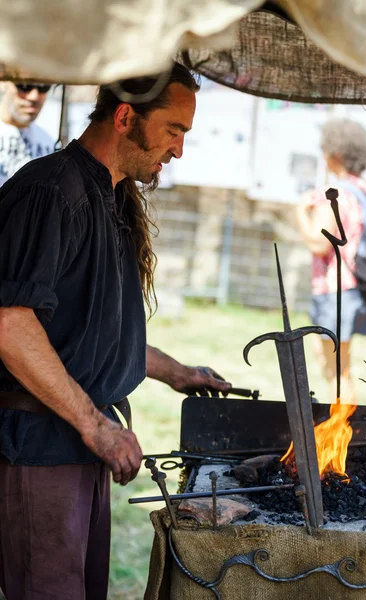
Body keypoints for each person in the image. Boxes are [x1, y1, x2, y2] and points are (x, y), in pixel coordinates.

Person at [0, 63, 231, 599]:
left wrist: (177, 372)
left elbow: (87, 329)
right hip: (39, 448)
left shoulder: (109, 195)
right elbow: (11, 323)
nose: (177, 150)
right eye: (174, 130)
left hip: (79, 443)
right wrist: (98, 428)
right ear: (126, 117)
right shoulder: (51, 193)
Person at [297, 118, 366, 405]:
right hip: (359, 291)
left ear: (334, 154)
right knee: (337, 363)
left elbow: (318, 242)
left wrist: (300, 211)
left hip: (336, 291)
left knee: (337, 371)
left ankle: (343, 435)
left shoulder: (333, 194)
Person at [0, 81, 55, 186]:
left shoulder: (49, 141)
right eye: (24, 85)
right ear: (3, 82)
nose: (34, 96)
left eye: (43, 87)